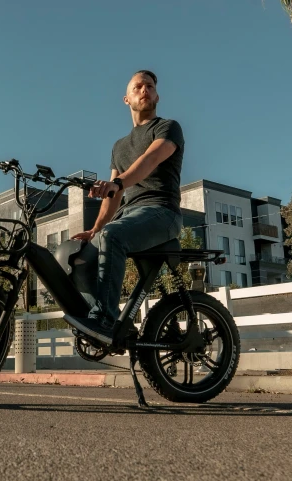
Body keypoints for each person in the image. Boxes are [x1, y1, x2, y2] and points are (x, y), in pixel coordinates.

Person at [64, 70, 184, 345]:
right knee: (75, 254)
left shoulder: (167, 127)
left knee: (112, 235)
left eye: (150, 86)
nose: (145, 90)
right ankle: (108, 324)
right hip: (128, 216)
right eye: (138, 86)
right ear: (126, 99)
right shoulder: (119, 146)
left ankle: (103, 320)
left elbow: (150, 160)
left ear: (157, 95)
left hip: (161, 213)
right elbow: (113, 196)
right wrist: (95, 228)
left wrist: (117, 183)